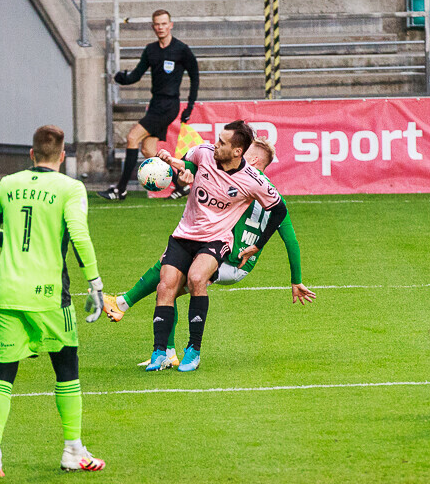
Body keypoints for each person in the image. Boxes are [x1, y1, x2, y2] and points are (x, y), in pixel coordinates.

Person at [104, 137, 315, 366]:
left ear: (252, 159)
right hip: (241, 266)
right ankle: (163, 346)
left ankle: (130, 310)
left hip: (227, 259)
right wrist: (296, 280)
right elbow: (291, 241)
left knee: (169, 283)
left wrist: (182, 168)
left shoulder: (241, 185)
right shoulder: (272, 195)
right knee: (168, 282)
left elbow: (201, 173)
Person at [0, 125, 106, 480]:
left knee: (2, 373)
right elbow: (78, 235)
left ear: (31, 154)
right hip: (50, 297)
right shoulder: (70, 188)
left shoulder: (7, 184)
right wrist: (94, 283)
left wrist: (15, 241)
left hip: (8, 293)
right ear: (62, 156)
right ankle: (73, 451)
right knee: (67, 370)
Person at [143, 121, 281, 373]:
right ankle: (159, 353)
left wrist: (257, 246)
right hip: (184, 234)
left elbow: (279, 210)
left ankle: (193, 350)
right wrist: (178, 171)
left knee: (197, 278)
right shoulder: (203, 152)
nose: (215, 145)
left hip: (216, 240)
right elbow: (187, 166)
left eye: (222, 143)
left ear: (237, 151)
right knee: (165, 285)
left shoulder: (253, 181)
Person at [100, 9, 200, 202]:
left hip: (169, 106)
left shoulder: (181, 49)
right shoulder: (151, 50)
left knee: (132, 137)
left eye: (164, 24)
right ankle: (182, 186)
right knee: (148, 150)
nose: (160, 27)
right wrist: (123, 79)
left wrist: (190, 106)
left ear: (170, 25)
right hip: (155, 105)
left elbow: (195, 76)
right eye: (157, 24)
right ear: (153, 27)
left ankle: (120, 190)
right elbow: (136, 75)